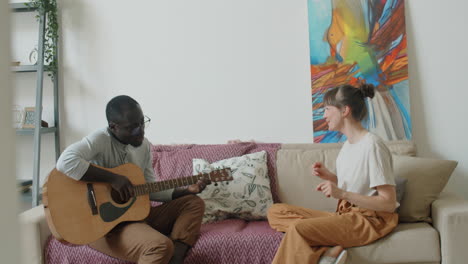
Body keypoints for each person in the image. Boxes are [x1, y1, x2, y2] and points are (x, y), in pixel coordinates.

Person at [56, 95, 210, 264]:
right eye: (132, 127)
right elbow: (65, 162)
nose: (141, 131)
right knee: (160, 246)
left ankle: (176, 258)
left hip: (137, 215)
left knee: (193, 202)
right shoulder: (100, 140)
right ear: (113, 127)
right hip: (106, 225)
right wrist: (113, 178)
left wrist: (186, 190)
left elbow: (151, 188)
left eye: (142, 122)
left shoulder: (144, 146)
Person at [267, 84, 398, 264]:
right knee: (276, 211)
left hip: (367, 220)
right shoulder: (347, 147)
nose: (324, 115)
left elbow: (389, 203)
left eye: (327, 109)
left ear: (345, 110)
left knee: (298, 229)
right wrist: (330, 177)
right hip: (345, 215)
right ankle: (327, 251)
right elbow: (359, 185)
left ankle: (325, 250)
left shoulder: (372, 145)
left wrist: (341, 193)